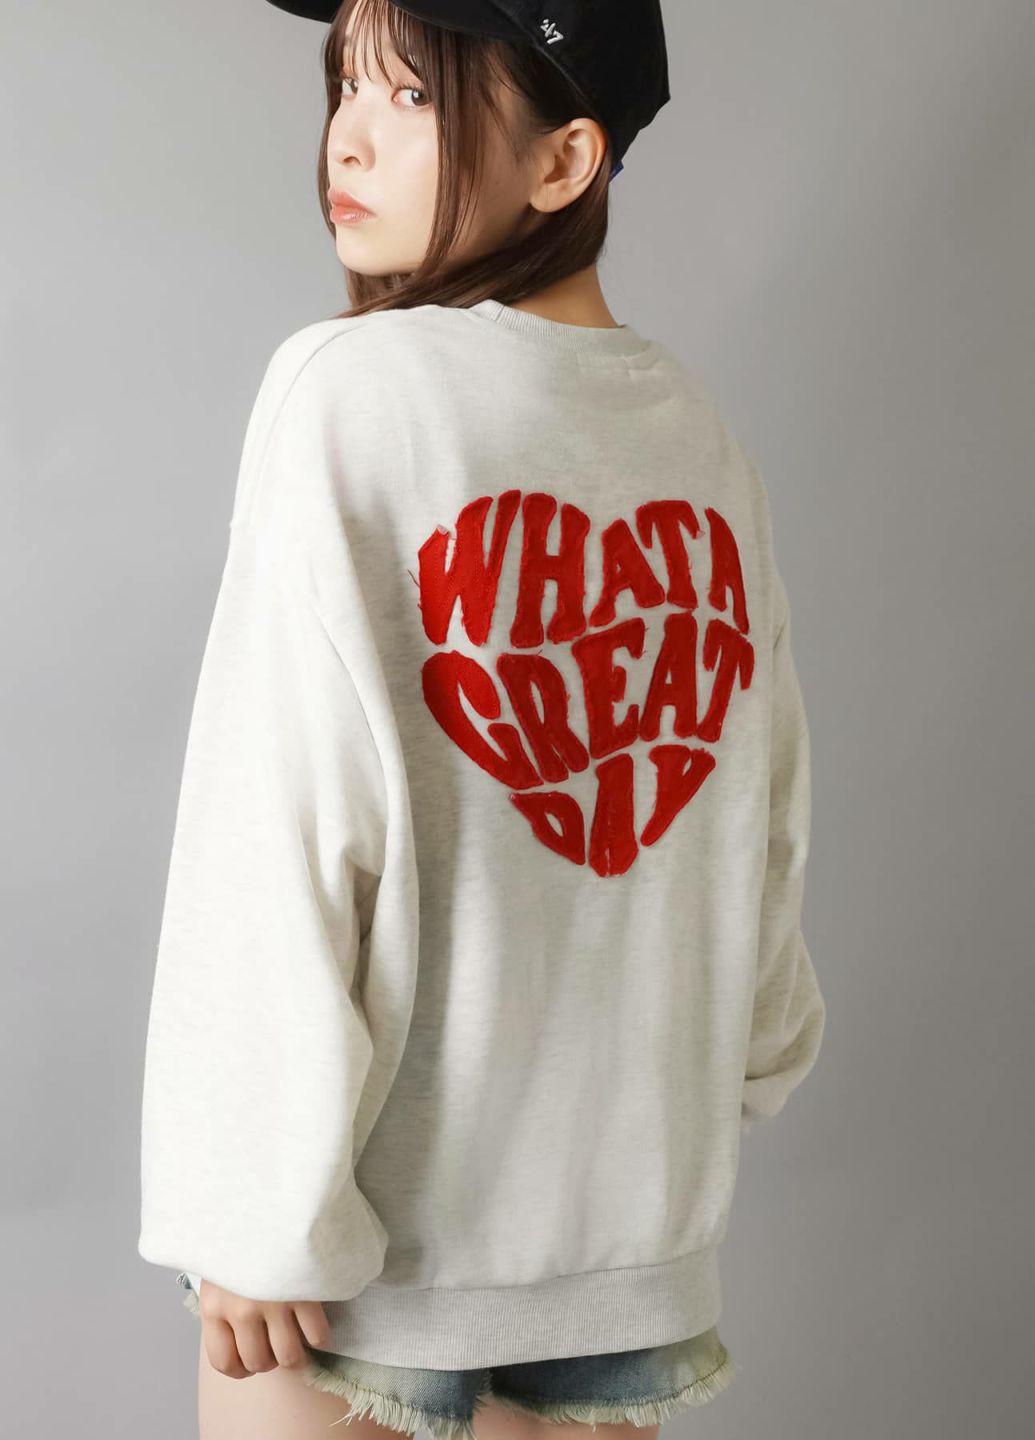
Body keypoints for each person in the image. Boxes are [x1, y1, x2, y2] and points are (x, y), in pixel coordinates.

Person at [136, 1, 829, 1436]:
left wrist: (243, 1201)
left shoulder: (351, 390)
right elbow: (759, 811)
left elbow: (275, 815)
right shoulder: (698, 436)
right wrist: (739, 1056)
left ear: (565, 160)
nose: (348, 135)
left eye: (412, 95)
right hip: (626, 1261)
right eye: (347, 82)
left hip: (363, 1270)